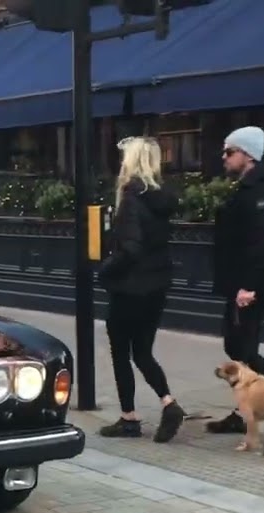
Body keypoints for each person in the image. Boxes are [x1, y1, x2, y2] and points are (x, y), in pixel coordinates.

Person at [97, 136, 186, 443]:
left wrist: (105, 269)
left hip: (129, 288)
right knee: (143, 352)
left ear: (131, 161)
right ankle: (168, 403)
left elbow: (131, 248)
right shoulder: (160, 197)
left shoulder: (131, 197)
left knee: (121, 353)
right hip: (156, 286)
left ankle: (129, 418)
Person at [205, 125, 264, 439]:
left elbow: (261, 243)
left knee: (245, 348)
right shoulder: (249, 188)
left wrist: (249, 287)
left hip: (249, 286)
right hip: (238, 283)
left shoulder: (261, 193)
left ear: (248, 155)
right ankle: (244, 411)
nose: (224, 158)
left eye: (230, 152)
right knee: (236, 347)